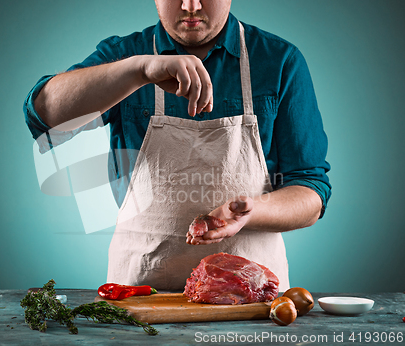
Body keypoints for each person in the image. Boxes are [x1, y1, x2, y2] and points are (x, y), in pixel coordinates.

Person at [24, 0, 331, 291]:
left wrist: (253, 211)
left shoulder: (279, 61)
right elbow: (44, 115)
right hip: (140, 294)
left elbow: (310, 190)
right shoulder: (125, 55)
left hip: (251, 298)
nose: (191, 6)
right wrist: (138, 71)